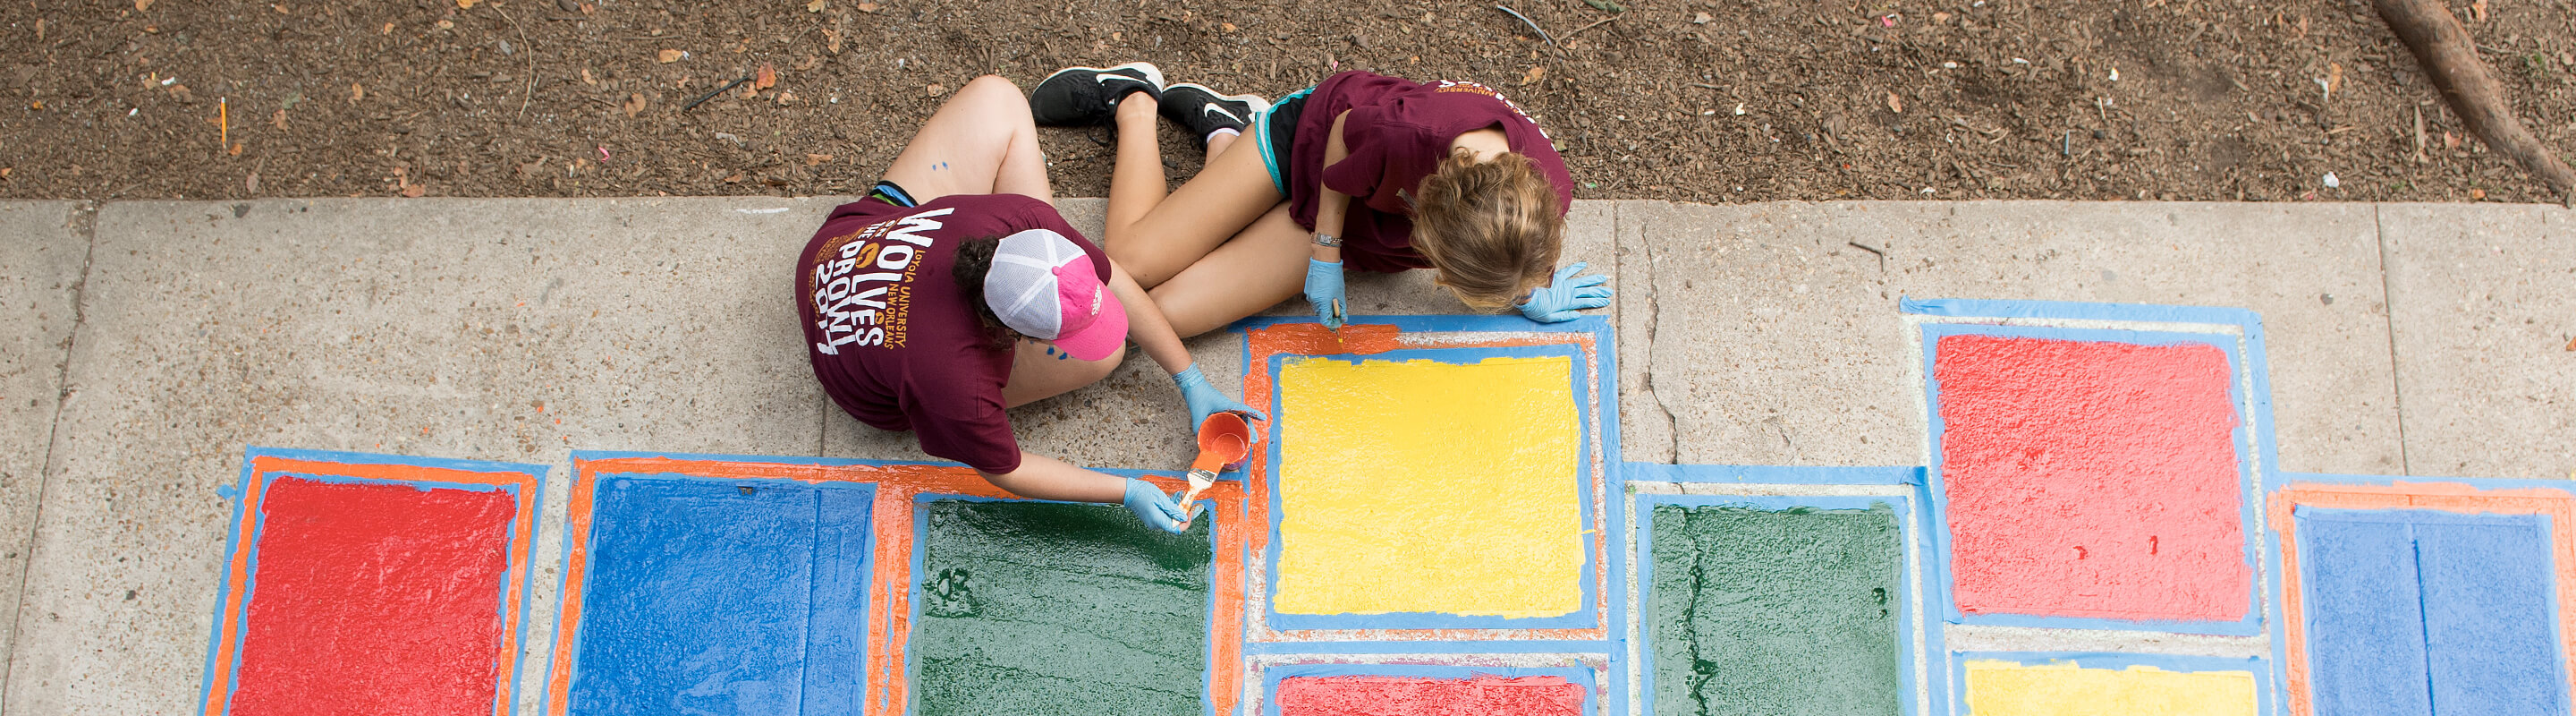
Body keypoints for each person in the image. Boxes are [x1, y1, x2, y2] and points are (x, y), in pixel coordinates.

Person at [793, 74, 1260, 534]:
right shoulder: (953, 380)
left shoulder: (1021, 219)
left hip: (845, 242)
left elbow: (1111, 277)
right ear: (1010, 333)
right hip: (856, 378)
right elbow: (1006, 468)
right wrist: (1126, 491)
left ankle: (1134, 95)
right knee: (1107, 353)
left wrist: (1191, 378)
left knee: (996, 98)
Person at [1025, 63, 1614, 337]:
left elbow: (1515, 248)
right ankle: (1134, 99)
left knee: (1154, 316)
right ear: (1427, 218)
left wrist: (1523, 287)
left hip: (1371, 213)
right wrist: (1326, 251)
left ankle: (1223, 128)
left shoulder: (1543, 197)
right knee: (1127, 264)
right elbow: (1340, 141)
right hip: (1312, 143)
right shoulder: (1404, 138)